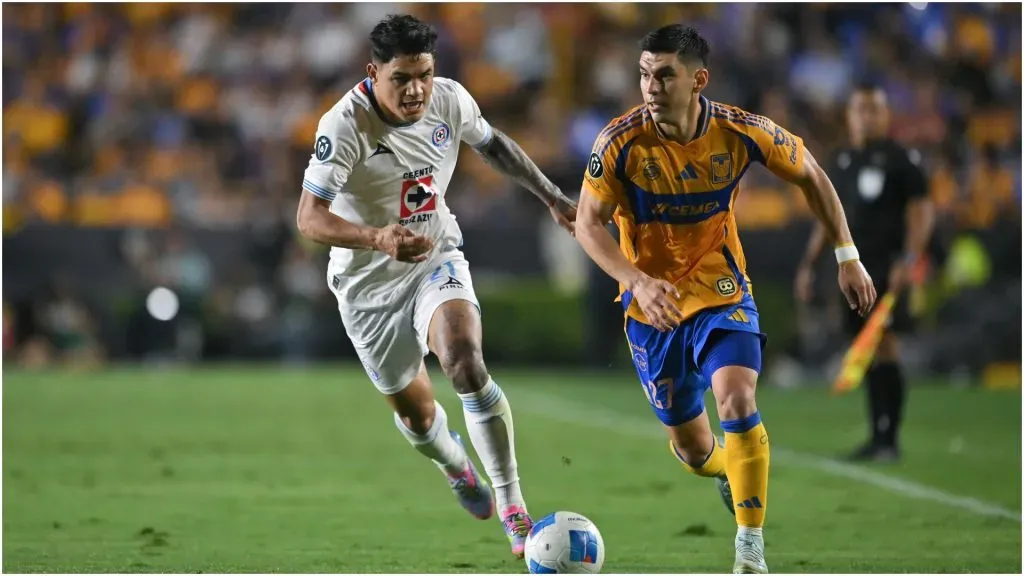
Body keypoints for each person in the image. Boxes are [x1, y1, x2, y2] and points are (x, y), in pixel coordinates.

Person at [574, 25, 876, 574]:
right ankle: (721, 470)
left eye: (664, 74)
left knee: (736, 399)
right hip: (651, 306)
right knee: (692, 448)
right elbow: (587, 225)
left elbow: (811, 174)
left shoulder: (741, 132)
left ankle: (749, 548)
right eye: (644, 74)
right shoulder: (619, 142)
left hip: (720, 289)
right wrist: (637, 280)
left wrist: (846, 254)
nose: (650, 86)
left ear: (698, 80)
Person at [294, 14, 577, 558]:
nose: (416, 89)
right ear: (373, 73)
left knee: (466, 361)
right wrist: (376, 238)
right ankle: (455, 464)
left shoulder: (448, 100)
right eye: (401, 78)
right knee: (418, 417)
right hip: (367, 288)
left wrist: (551, 196)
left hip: (433, 256)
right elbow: (309, 218)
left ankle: (514, 507)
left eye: (423, 73)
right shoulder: (344, 125)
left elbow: (494, 146)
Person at [795, 83, 933, 462]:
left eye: (874, 109)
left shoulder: (901, 160)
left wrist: (910, 258)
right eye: (861, 109)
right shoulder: (840, 160)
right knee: (866, 351)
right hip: (851, 270)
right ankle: (878, 436)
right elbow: (827, 218)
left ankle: (889, 438)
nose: (867, 116)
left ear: (886, 115)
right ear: (849, 114)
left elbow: (921, 211)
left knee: (884, 344)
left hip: (889, 267)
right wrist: (808, 265)